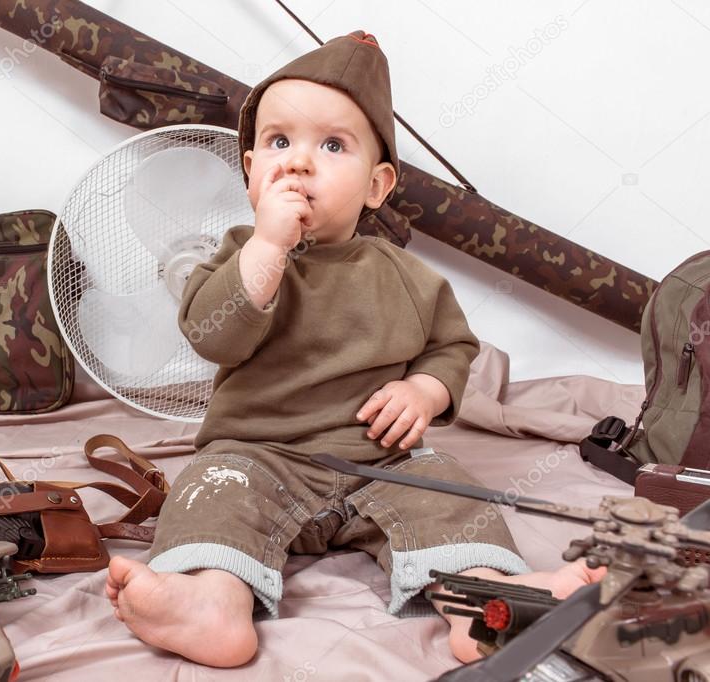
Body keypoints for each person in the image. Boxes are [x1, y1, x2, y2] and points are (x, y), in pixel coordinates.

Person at [106, 31, 603, 667]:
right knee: (211, 490)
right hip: (259, 452)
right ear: (251, 169)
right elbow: (214, 335)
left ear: (376, 185)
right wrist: (267, 249)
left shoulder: (406, 276)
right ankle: (212, 601)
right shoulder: (237, 254)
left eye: (332, 145)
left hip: (380, 459)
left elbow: (452, 345)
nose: (299, 163)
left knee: (448, 492)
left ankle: (487, 602)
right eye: (278, 142)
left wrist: (426, 388)